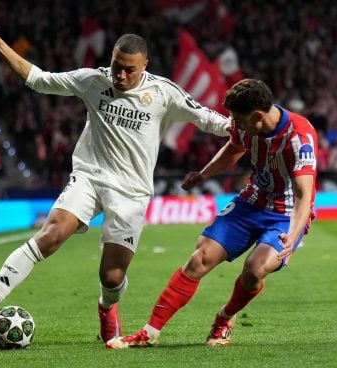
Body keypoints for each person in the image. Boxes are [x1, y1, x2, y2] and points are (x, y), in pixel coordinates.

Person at [0, 10, 231, 345]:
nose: (120, 75)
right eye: (116, 65)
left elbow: (207, 118)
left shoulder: (164, 93)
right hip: (89, 178)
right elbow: (38, 79)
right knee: (52, 234)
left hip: (131, 194)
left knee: (112, 276)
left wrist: (242, 127)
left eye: (129, 69)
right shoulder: (94, 80)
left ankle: (107, 307)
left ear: (144, 65)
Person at [106, 78, 318, 348]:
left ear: (257, 116)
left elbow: (303, 195)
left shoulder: (299, 137)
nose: (233, 125)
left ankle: (225, 317)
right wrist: (203, 174)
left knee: (255, 269)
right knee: (199, 259)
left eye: (238, 120)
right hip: (252, 201)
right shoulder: (246, 125)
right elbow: (234, 148)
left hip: (286, 214)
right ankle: (150, 332)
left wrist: (293, 233)